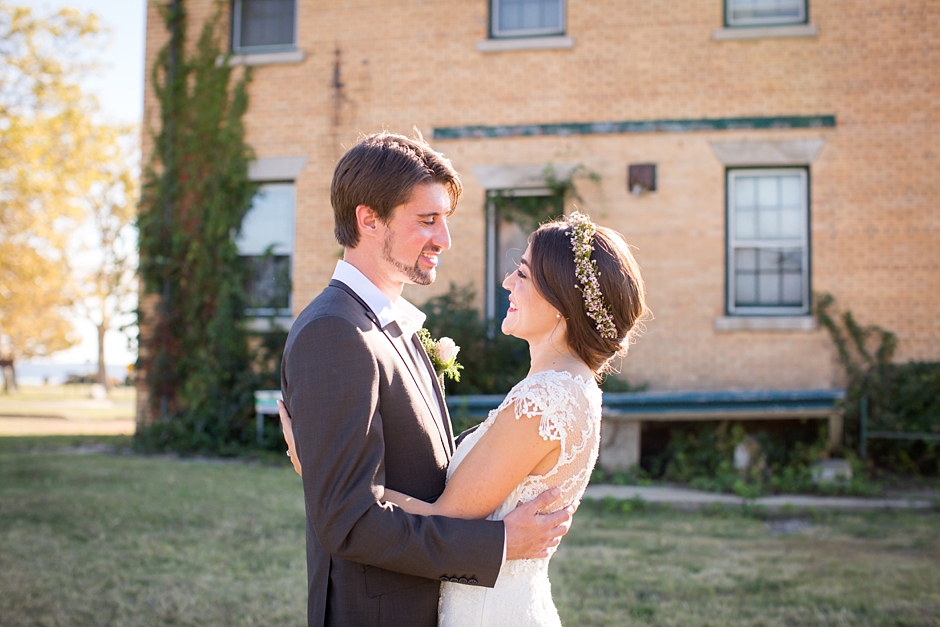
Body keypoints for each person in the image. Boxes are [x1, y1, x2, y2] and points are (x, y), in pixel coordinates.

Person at [278, 132, 576, 627]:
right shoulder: (335, 332)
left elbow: (416, 460)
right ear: (368, 219)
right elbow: (347, 521)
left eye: (445, 219)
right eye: (427, 220)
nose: (445, 238)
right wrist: (501, 543)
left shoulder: (388, 322)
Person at [379, 212, 648, 626]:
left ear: (562, 302)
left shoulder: (544, 399)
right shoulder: (577, 386)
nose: (507, 282)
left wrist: (333, 474)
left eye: (522, 273)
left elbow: (439, 524)